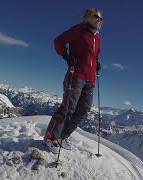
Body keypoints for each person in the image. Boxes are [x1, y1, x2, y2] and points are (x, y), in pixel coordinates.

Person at [44, 8, 103, 154]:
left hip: (90, 79)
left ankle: (62, 137)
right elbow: (58, 42)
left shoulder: (98, 38)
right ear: (88, 17)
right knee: (68, 108)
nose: (99, 20)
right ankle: (50, 137)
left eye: (101, 19)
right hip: (76, 75)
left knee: (83, 109)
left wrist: (97, 63)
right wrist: (66, 56)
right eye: (97, 17)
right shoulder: (78, 30)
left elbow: (95, 56)